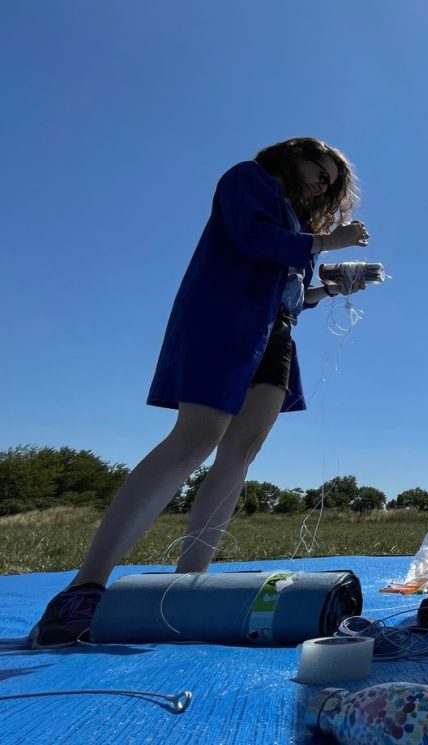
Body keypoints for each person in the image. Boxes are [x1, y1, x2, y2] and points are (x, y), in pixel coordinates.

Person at [29, 137, 372, 647]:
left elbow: (287, 296)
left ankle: (189, 582)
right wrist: (325, 244)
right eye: (317, 170)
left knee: (242, 451)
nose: (321, 184)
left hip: (275, 335)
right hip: (224, 320)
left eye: (329, 181)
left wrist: (329, 288)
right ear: (290, 155)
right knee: (196, 437)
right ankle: (85, 587)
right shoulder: (248, 179)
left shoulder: (299, 225)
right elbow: (251, 239)